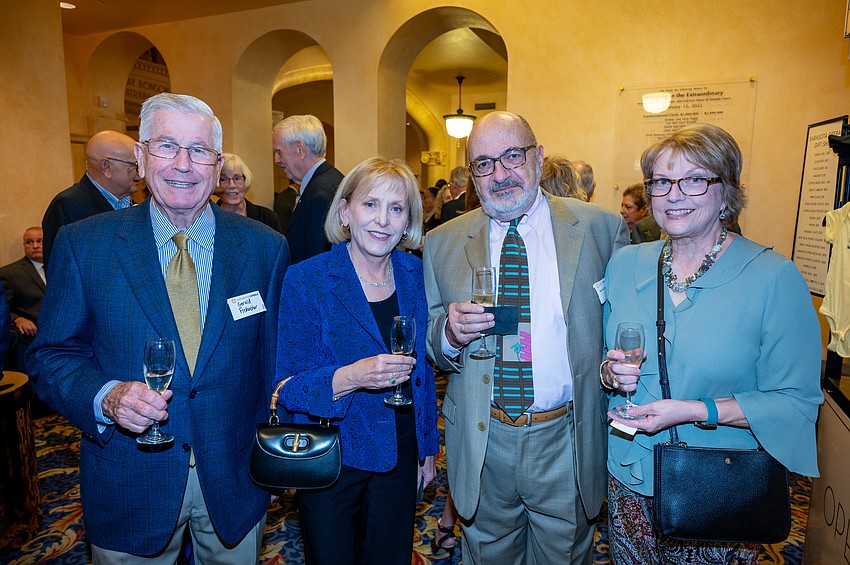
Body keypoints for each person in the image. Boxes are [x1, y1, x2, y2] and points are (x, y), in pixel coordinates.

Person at [28, 93, 289, 563]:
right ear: (142, 159)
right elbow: (50, 355)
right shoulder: (85, 245)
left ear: (216, 164)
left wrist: (271, 465)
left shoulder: (265, 249)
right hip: (129, 478)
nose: (184, 165)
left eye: (199, 150)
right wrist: (106, 395)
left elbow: (271, 366)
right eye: (167, 146)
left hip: (234, 478)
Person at [602, 123, 822, 564]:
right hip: (629, 477)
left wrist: (694, 410)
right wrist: (609, 372)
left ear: (727, 192)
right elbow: (607, 364)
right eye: (662, 182)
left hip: (720, 485)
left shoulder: (773, 278)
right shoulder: (625, 264)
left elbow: (795, 404)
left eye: (695, 179)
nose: (674, 194)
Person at [424, 111, 628, 564]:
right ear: (472, 175)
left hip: (565, 436)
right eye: (483, 164)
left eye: (512, 156)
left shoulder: (599, 229)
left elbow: (622, 330)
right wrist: (449, 335)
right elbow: (431, 338)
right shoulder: (442, 242)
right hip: (484, 438)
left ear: (537, 157)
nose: (499, 174)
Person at [275, 156, 439, 565]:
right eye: (370, 205)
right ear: (345, 211)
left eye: (396, 208)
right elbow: (287, 386)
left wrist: (427, 447)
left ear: (408, 221)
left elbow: (424, 372)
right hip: (333, 455)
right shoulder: (307, 278)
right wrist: (352, 376)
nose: (383, 220)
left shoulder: (416, 274)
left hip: (400, 455)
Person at [42, 130, 140, 266]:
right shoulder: (67, 206)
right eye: (134, 166)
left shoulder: (133, 205)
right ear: (107, 167)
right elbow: (60, 271)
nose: (140, 174)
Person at [273, 114, 344, 264]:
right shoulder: (328, 181)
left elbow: (317, 263)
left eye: (279, 152)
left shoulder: (320, 194)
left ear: (301, 149)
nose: (276, 160)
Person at [0, 227, 46, 373]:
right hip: (30, 339)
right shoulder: (9, 273)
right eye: (29, 242)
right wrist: (17, 319)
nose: (35, 246)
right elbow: (3, 308)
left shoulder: (61, 266)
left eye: (39, 241)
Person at [217, 153, 282, 232]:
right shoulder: (207, 218)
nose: (232, 185)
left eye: (237, 178)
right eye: (223, 179)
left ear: (245, 181)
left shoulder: (268, 218)